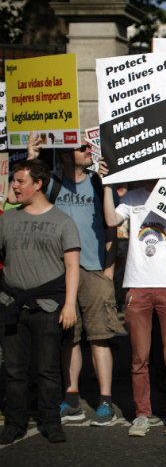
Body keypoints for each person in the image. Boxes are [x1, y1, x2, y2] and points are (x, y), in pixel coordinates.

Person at [23, 133, 121, 427]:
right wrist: (31, 156)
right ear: (65, 156)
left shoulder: (97, 182)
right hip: (61, 274)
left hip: (93, 271)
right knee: (70, 338)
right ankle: (72, 399)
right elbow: (25, 195)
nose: (88, 150)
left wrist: (109, 271)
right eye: (80, 148)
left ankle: (105, 401)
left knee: (100, 338)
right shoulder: (51, 183)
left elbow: (111, 228)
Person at [102, 169, 166, 437]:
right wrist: (107, 185)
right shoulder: (133, 197)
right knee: (139, 358)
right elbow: (111, 219)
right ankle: (142, 414)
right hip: (137, 284)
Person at [0, 159, 80, 444]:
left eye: (20, 180)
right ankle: (15, 423)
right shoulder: (6, 219)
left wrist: (69, 305)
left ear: (38, 184)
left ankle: (51, 422)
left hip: (48, 307)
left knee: (47, 370)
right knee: (14, 370)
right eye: (14, 180)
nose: (14, 185)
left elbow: (72, 267)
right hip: (11, 303)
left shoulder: (63, 221)